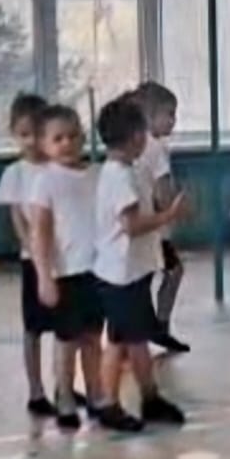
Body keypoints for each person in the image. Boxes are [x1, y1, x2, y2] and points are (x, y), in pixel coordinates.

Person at [27, 105, 144, 434]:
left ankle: (96, 394)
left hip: (98, 269)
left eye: (73, 135)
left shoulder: (98, 173)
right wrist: (44, 276)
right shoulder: (44, 181)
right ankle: (65, 395)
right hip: (66, 273)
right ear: (44, 144)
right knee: (67, 340)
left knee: (93, 337)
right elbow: (40, 233)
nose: (67, 143)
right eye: (58, 138)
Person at [94, 96, 189, 426]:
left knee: (135, 341)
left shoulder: (122, 171)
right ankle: (108, 403)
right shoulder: (119, 177)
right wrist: (170, 215)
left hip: (129, 273)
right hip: (119, 276)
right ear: (136, 137)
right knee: (119, 342)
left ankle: (150, 398)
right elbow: (131, 225)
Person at [0, 92, 55, 417]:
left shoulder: (58, 168)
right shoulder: (15, 173)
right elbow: (17, 216)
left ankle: (65, 383)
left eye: (37, 133)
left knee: (68, 328)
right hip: (34, 260)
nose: (31, 142)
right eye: (24, 134)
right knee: (33, 327)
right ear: (14, 134)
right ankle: (36, 390)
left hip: (66, 259)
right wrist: (31, 247)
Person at [131, 81, 189, 353]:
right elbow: (163, 192)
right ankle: (157, 327)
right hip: (153, 229)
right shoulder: (155, 149)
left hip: (139, 226)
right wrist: (177, 209)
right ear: (149, 115)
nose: (173, 120)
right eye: (169, 114)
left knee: (145, 277)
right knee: (172, 272)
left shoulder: (135, 145)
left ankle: (147, 330)